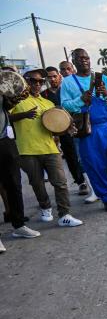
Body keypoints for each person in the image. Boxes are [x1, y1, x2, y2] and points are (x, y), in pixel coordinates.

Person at [61, 48, 107, 212]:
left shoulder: (103, 78)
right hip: (86, 130)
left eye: (86, 57)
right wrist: (80, 100)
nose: (83, 60)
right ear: (74, 61)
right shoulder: (67, 82)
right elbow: (65, 105)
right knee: (95, 166)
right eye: (79, 58)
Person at [9, 69, 83, 227]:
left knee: (61, 182)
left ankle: (65, 215)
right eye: (33, 81)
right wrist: (24, 115)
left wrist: (67, 128)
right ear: (25, 81)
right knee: (37, 183)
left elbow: (55, 127)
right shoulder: (15, 101)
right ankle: (45, 206)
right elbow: (5, 118)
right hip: (26, 150)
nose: (37, 84)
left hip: (50, 148)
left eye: (40, 81)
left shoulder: (48, 103)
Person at [0, 69, 41, 252]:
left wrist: (12, 100)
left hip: (5, 141)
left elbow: (5, 111)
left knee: (14, 184)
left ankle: (18, 225)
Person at [41, 66, 94, 199]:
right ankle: (81, 182)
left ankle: (95, 184)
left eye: (54, 76)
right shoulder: (44, 95)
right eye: (49, 77)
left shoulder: (67, 88)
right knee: (71, 158)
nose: (52, 79)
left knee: (83, 155)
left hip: (77, 127)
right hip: (60, 132)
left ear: (59, 76)